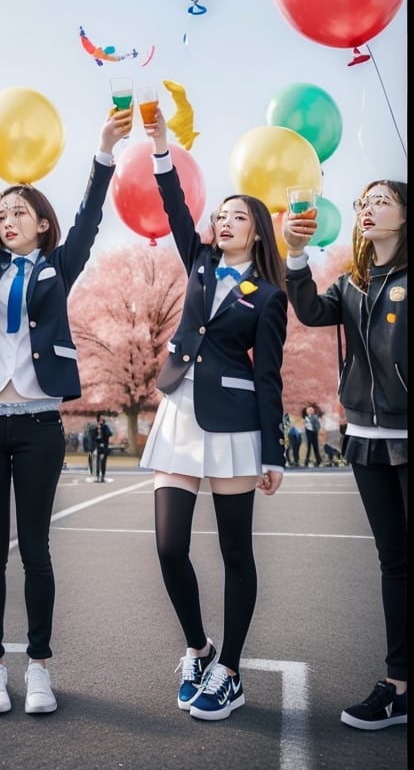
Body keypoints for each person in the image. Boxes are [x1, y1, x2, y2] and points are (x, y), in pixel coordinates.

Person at [0, 100, 131, 717]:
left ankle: (41, 667)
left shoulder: (58, 264)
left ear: (41, 225)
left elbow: (90, 218)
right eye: (3, 214)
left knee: (38, 549)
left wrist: (104, 149)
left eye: (19, 211)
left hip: (40, 426)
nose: (6, 219)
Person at [140, 106, 287, 721]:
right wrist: (160, 148)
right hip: (179, 410)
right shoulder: (199, 261)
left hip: (234, 424)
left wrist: (274, 451)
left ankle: (230, 669)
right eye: (220, 215)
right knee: (170, 547)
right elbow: (175, 206)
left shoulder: (271, 295)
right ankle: (198, 647)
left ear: (256, 231)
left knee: (236, 554)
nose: (225, 221)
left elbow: (269, 375)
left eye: (238, 216)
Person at [284, 178, 407, 731]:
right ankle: (399, 686)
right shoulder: (352, 284)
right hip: (366, 438)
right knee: (395, 564)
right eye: (364, 202)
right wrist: (294, 251)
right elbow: (308, 311)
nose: (368, 208)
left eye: (382, 200)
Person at [90, 414, 113, 482]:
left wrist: (103, 428)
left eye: (102, 420)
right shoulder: (95, 427)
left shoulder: (105, 427)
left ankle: (103, 476)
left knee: (103, 462)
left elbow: (110, 434)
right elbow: (92, 436)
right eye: (100, 419)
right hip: (97, 446)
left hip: (104, 446)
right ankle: (97, 476)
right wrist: (96, 430)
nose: (101, 421)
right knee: (97, 462)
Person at [301, 403, 323, 467]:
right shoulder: (306, 418)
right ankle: (306, 461)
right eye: (308, 411)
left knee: (315, 447)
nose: (309, 412)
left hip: (313, 433)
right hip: (308, 434)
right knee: (308, 448)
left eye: (310, 410)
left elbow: (318, 426)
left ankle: (319, 461)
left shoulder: (315, 417)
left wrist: (315, 430)